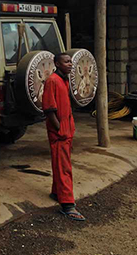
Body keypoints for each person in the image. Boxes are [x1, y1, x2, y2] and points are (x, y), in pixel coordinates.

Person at [42, 53, 86, 221]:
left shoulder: (64, 80)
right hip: (59, 133)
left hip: (67, 130)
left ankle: (57, 192)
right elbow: (49, 110)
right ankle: (68, 205)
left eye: (70, 61)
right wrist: (59, 129)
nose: (70, 64)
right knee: (64, 167)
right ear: (57, 64)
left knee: (60, 163)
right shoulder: (52, 81)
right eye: (66, 62)